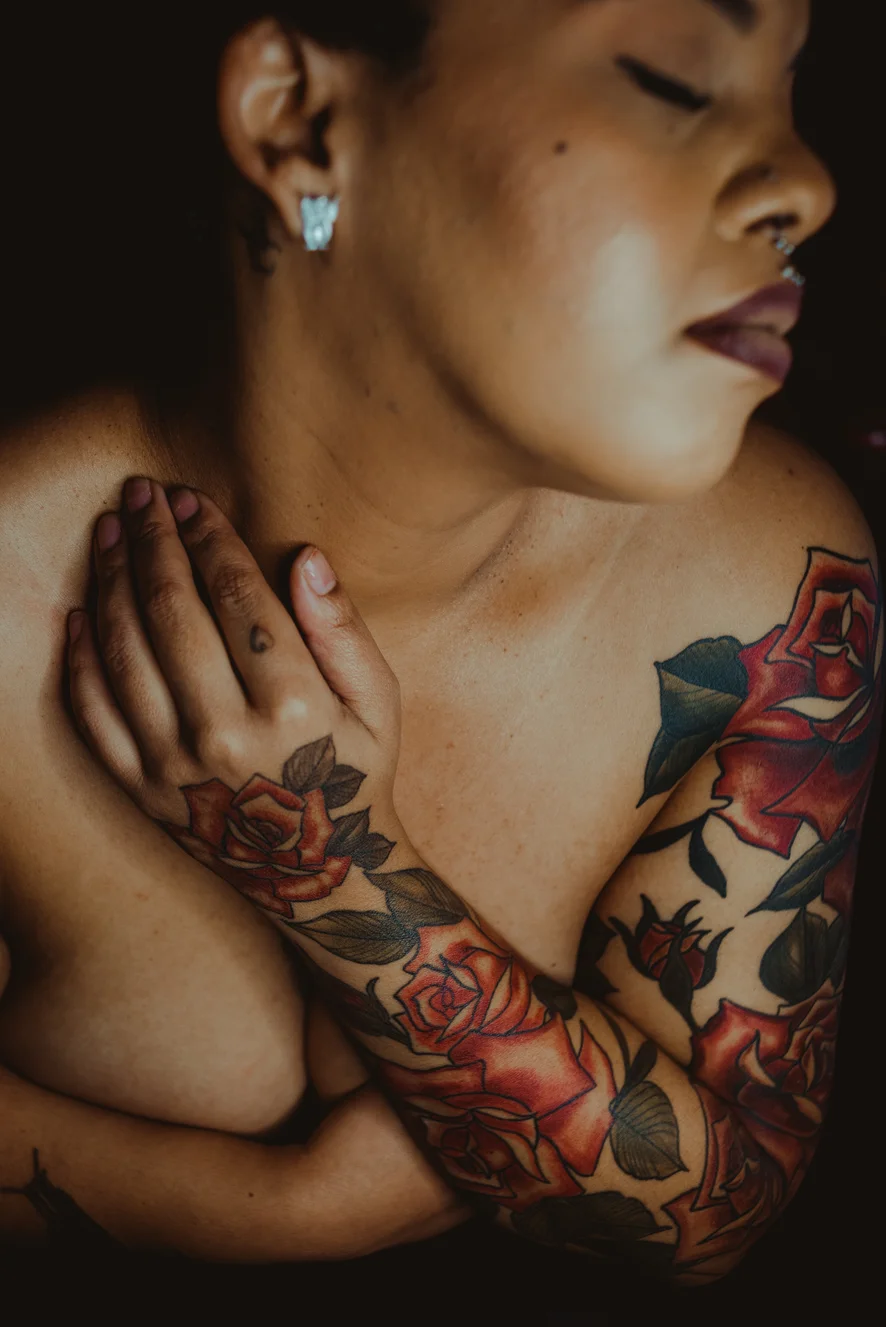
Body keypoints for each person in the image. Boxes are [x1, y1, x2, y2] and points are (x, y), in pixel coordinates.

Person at [0, 0, 878, 1287]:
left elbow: (722, 1206)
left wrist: (334, 864)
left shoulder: (768, 592)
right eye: (674, 81)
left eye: (789, 84)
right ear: (298, 124)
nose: (804, 183)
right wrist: (268, 1215)